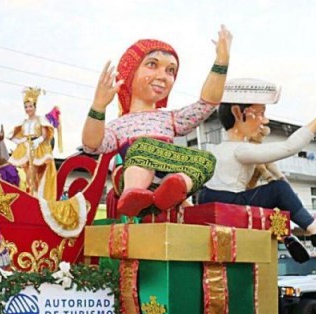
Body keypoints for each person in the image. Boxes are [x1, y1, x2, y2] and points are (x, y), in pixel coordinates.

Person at [81, 25, 232, 217]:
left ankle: (174, 187)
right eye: (152, 64)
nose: (163, 76)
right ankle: (134, 196)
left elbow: (206, 104)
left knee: (207, 159)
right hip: (133, 176)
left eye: (170, 71)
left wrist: (221, 62)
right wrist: (98, 106)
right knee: (142, 147)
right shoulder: (118, 125)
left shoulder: (169, 118)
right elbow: (91, 145)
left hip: (167, 173)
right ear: (130, 72)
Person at [198, 78, 316, 261]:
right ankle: (314, 228)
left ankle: (288, 237)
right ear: (237, 112)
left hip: (209, 197)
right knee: (279, 189)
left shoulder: (217, 149)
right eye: (259, 114)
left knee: (272, 202)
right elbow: (288, 148)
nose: (264, 121)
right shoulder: (241, 150)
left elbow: (263, 167)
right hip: (230, 199)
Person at [6, 87, 58, 200]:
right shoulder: (23, 122)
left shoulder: (40, 120)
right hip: (25, 148)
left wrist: (37, 141)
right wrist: (20, 141)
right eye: (26, 107)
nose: (28, 109)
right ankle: (28, 193)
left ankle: (36, 195)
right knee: (26, 173)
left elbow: (44, 135)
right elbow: (12, 136)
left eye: (30, 106)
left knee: (35, 172)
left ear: (35, 106)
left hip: (37, 149)